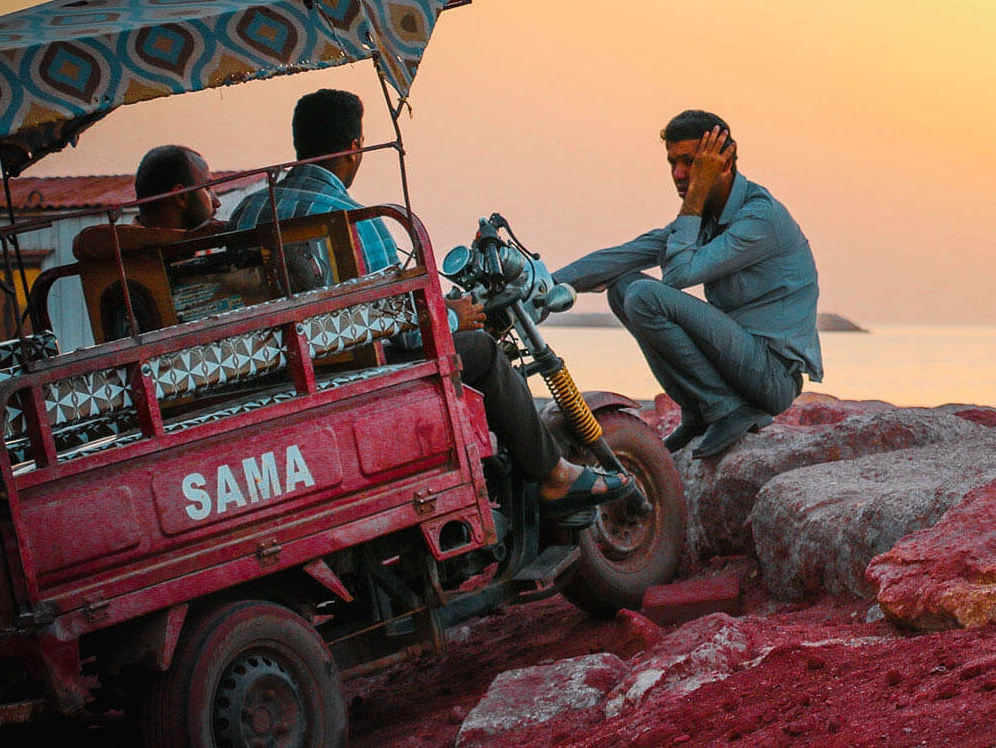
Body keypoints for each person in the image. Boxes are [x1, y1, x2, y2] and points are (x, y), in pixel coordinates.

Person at [230, 88, 626, 524]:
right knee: (482, 350)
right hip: (348, 372)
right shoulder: (357, 220)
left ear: (299, 142)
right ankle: (555, 476)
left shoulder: (248, 211)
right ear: (354, 147)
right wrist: (453, 315)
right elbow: (403, 332)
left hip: (276, 369)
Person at [556, 110, 821, 459]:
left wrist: (694, 197)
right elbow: (629, 254)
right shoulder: (708, 217)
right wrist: (543, 284)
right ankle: (698, 412)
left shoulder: (759, 216)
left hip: (772, 377)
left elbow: (678, 276)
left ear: (724, 162)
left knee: (644, 296)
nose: (679, 174)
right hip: (736, 364)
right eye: (673, 163)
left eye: (692, 163)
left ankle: (725, 409)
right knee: (622, 288)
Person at [72, 144, 223, 260]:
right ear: (181, 196)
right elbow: (84, 242)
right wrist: (186, 238)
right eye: (207, 188)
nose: (217, 202)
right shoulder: (120, 248)